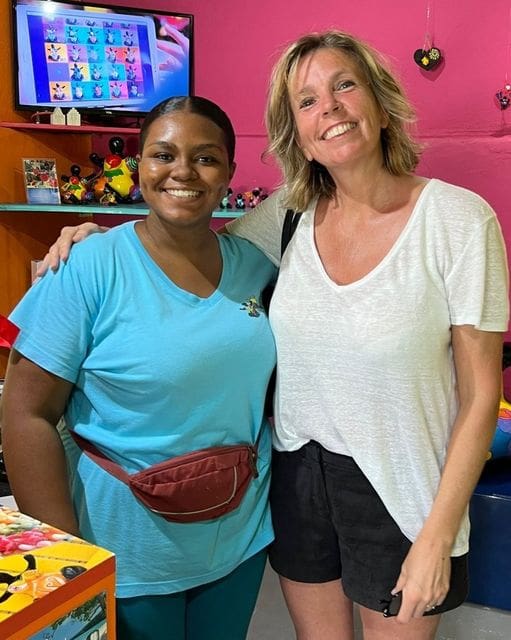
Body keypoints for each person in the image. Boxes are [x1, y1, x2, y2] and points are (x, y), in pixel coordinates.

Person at [34, 31, 509, 640]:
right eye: (307, 101)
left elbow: (480, 394)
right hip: (296, 476)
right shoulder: (288, 215)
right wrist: (102, 239)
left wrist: (438, 536)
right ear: (297, 133)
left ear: (381, 101)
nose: (329, 108)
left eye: (344, 85)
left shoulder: (458, 220)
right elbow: (185, 237)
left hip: (403, 489)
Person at [0, 96, 277, 640]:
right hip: (124, 549)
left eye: (205, 158)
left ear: (229, 173)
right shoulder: (87, 267)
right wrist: (67, 559)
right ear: (139, 165)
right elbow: (26, 413)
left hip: (239, 541)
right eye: (163, 155)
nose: (183, 171)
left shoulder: (255, 265)